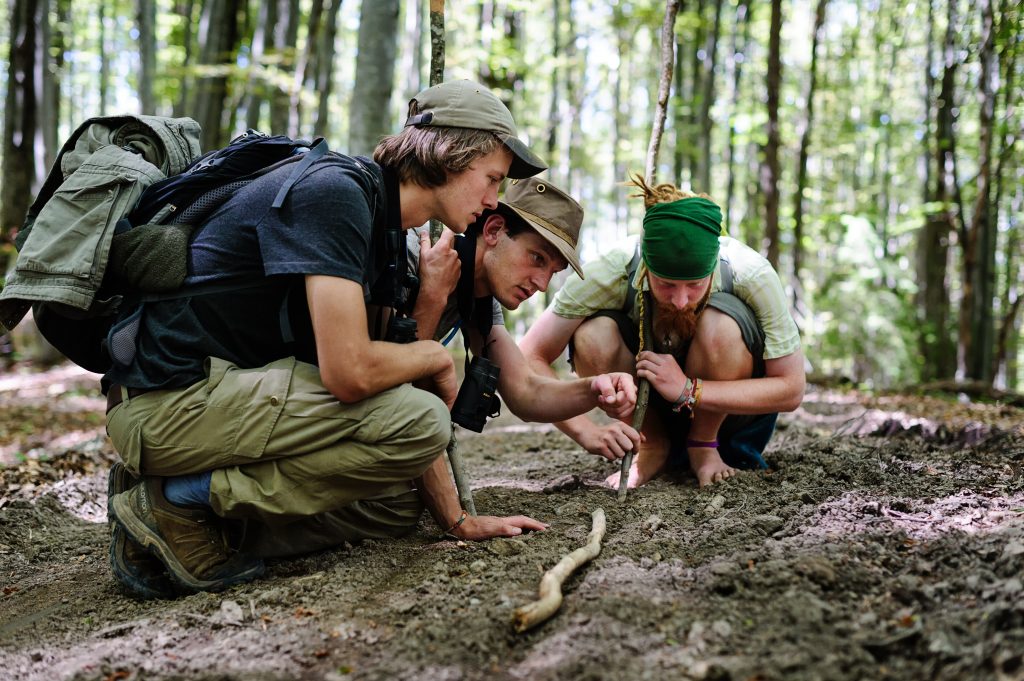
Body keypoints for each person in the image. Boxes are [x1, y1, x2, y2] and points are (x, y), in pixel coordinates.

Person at [103, 80, 610, 599]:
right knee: (419, 422)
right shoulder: (337, 194)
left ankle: (196, 525)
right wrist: (433, 352)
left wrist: (455, 519)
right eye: (492, 179)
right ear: (453, 153)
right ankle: (177, 499)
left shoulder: (383, 228)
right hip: (169, 405)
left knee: (396, 502)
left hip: (228, 401)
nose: (491, 201)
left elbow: (398, 381)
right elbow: (351, 374)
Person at [520, 177, 805, 489]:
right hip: (645, 409)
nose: (681, 301)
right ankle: (651, 445)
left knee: (719, 325)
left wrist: (688, 389)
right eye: (666, 284)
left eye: (695, 285)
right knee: (593, 334)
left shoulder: (750, 272)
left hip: (726, 419)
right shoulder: (611, 268)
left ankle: (703, 446)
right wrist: (585, 431)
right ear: (646, 269)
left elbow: (790, 389)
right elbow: (530, 356)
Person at [407, 176, 640, 435]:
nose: (542, 284)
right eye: (537, 258)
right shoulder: (414, 253)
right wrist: (433, 296)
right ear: (493, 230)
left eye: (553, 271)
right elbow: (376, 381)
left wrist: (596, 388)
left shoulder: (482, 296)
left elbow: (526, 392)